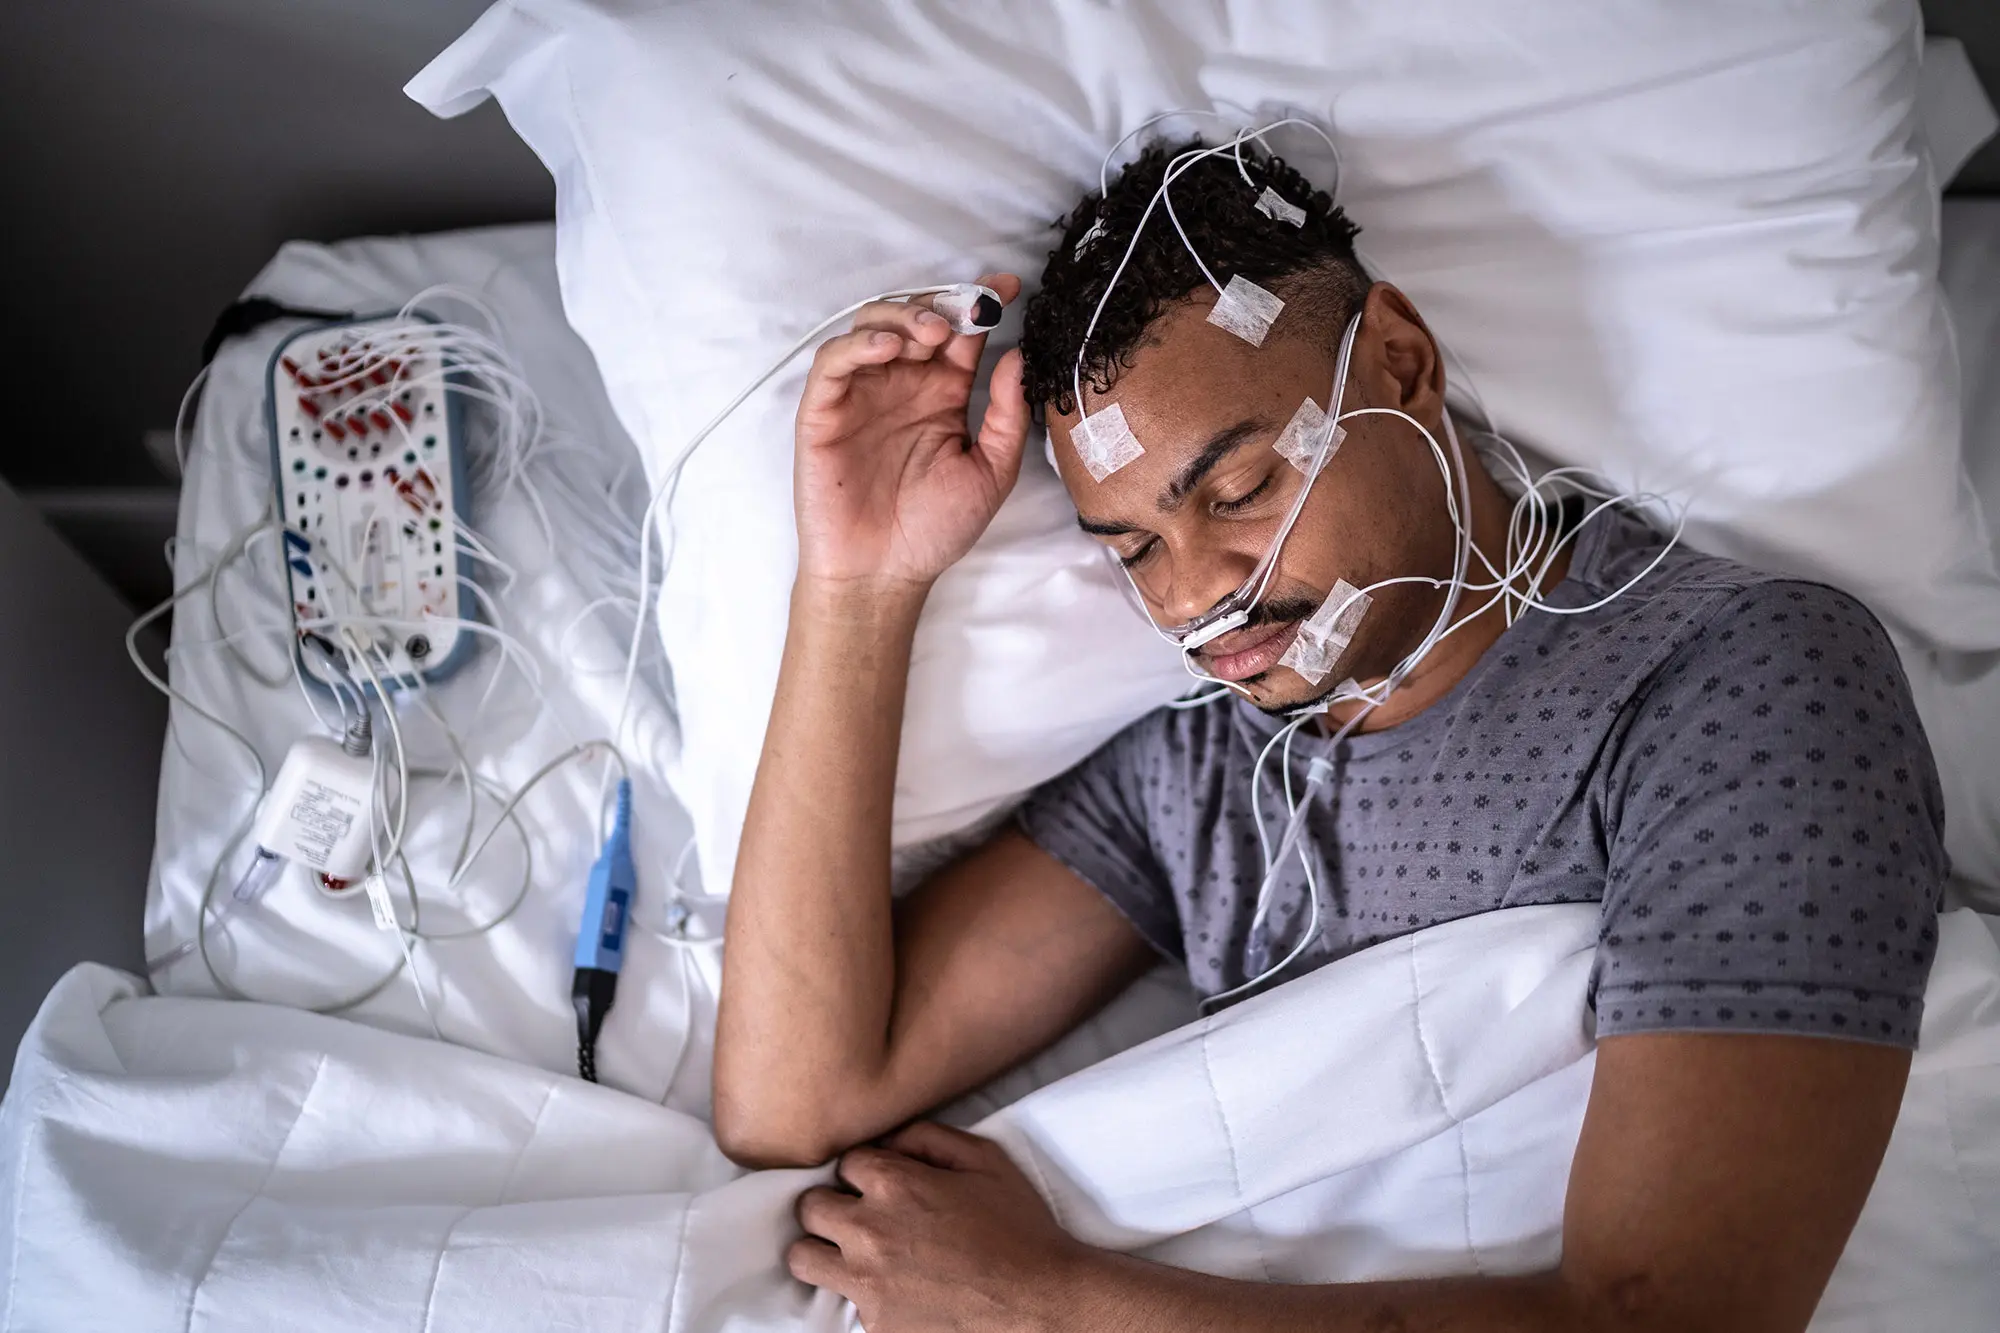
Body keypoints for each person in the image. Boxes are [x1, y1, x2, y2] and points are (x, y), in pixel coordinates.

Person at [712, 138, 1946, 1332]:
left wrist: (1040, 1303)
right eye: (1132, 547)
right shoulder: (1200, 775)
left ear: (1400, 363)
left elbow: (1680, 1315)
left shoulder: (1728, 678)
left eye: (1239, 491)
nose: (1195, 594)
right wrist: (859, 584)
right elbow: (795, 1099)